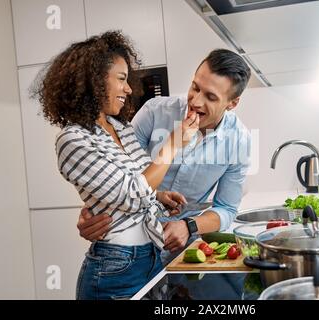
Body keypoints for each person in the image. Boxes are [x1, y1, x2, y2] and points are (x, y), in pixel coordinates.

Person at [32, 30, 199, 299]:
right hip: (116, 268)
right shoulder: (72, 139)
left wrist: (158, 195)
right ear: (95, 81)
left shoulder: (121, 129)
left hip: (151, 256)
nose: (129, 88)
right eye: (121, 79)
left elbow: (140, 181)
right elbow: (132, 195)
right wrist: (174, 142)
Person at [78, 48, 252, 260]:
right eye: (195, 87)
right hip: (125, 245)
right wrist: (91, 211)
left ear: (232, 103)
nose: (196, 101)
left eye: (210, 97)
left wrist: (188, 226)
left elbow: (226, 208)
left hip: (178, 249)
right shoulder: (154, 112)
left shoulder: (239, 140)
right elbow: (115, 171)